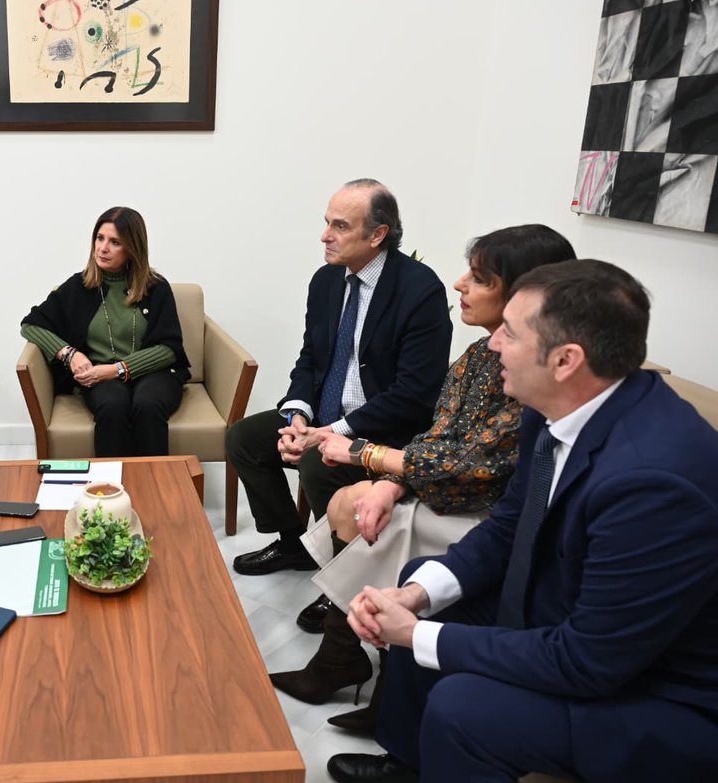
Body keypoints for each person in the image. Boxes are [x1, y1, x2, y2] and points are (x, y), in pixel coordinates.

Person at [328, 260, 718, 783]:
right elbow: (510, 525)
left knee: (463, 707)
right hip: (573, 616)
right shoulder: (553, 405)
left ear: (565, 359)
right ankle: (410, 761)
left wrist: (419, 635)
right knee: (421, 577)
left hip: (659, 692)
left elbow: (589, 661)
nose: (492, 346)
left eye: (509, 334)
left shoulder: (654, 481)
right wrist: (417, 601)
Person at [268, 225, 577, 733]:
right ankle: (358, 659)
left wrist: (371, 459)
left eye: (478, 279)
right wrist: (391, 481)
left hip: (483, 506)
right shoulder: (480, 355)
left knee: (379, 520)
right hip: (456, 490)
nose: (460, 284)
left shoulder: (538, 371)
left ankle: (350, 660)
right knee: (361, 501)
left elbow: (479, 466)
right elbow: (439, 434)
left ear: (526, 295)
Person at [226, 179, 452, 575]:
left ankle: (342, 579)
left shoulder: (419, 290)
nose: (325, 236)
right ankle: (293, 544)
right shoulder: (327, 280)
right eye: (327, 222)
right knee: (243, 438)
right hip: (326, 416)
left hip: (384, 429)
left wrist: (333, 432)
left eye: (341, 226)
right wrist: (298, 414)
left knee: (316, 461)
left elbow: (414, 393)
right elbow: (312, 357)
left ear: (377, 234)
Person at [20, 206, 190, 457]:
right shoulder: (79, 286)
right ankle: (109, 489)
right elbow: (31, 324)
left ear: (132, 247)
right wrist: (69, 354)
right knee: (112, 405)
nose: (103, 248)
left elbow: (168, 349)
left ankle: (155, 487)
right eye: (99, 238)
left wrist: (117, 370)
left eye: (115, 242)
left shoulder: (156, 288)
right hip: (98, 375)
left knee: (148, 404)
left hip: (154, 373)